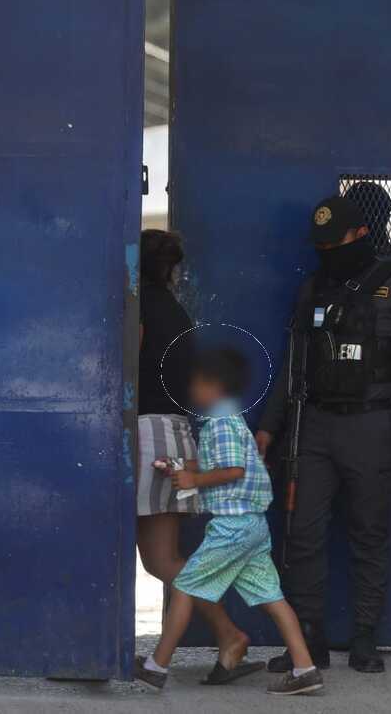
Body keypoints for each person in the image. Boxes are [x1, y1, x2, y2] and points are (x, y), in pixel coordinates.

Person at [255, 193, 391, 674]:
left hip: (374, 425)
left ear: (361, 234)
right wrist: (270, 425)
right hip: (313, 427)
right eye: (322, 245)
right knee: (302, 535)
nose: (328, 252)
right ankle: (308, 641)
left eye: (336, 242)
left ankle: (365, 639)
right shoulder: (313, 288)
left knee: (369, 534)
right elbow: (293, 364)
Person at [136, 347, 326, 696]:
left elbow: (233, 470)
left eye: (196, 384)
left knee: (185, 586)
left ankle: (156, 666)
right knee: (272, 597)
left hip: (232, 527)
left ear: (214, 385)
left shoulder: (221, 422)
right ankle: (305, 669)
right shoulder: (227, 420)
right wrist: (179, 467)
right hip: (251, 527)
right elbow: (219, 464)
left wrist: (194, 480)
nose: (191, 391)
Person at [135, 230, 251, 676]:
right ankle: (229, 636)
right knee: (162, 559)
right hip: (174, 433)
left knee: (159, 560)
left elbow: (124, 366)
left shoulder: (138, 308)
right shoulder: (176, 311)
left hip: (147, 435)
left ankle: (227, 635)